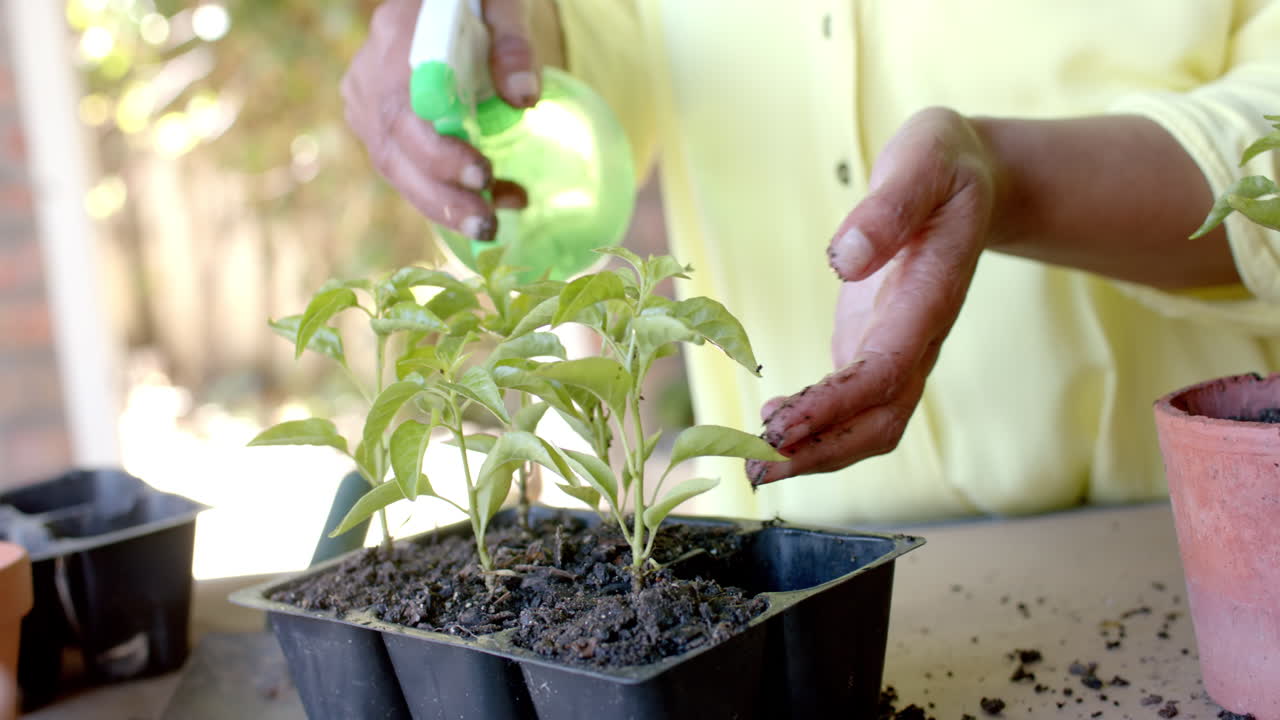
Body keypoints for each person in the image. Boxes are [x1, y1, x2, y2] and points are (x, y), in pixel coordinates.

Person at [342, 0, 1280, 526]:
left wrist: (1010, 178)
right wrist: (484, 44)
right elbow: (592, 50)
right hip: (806, 566)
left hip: (1186, 543)